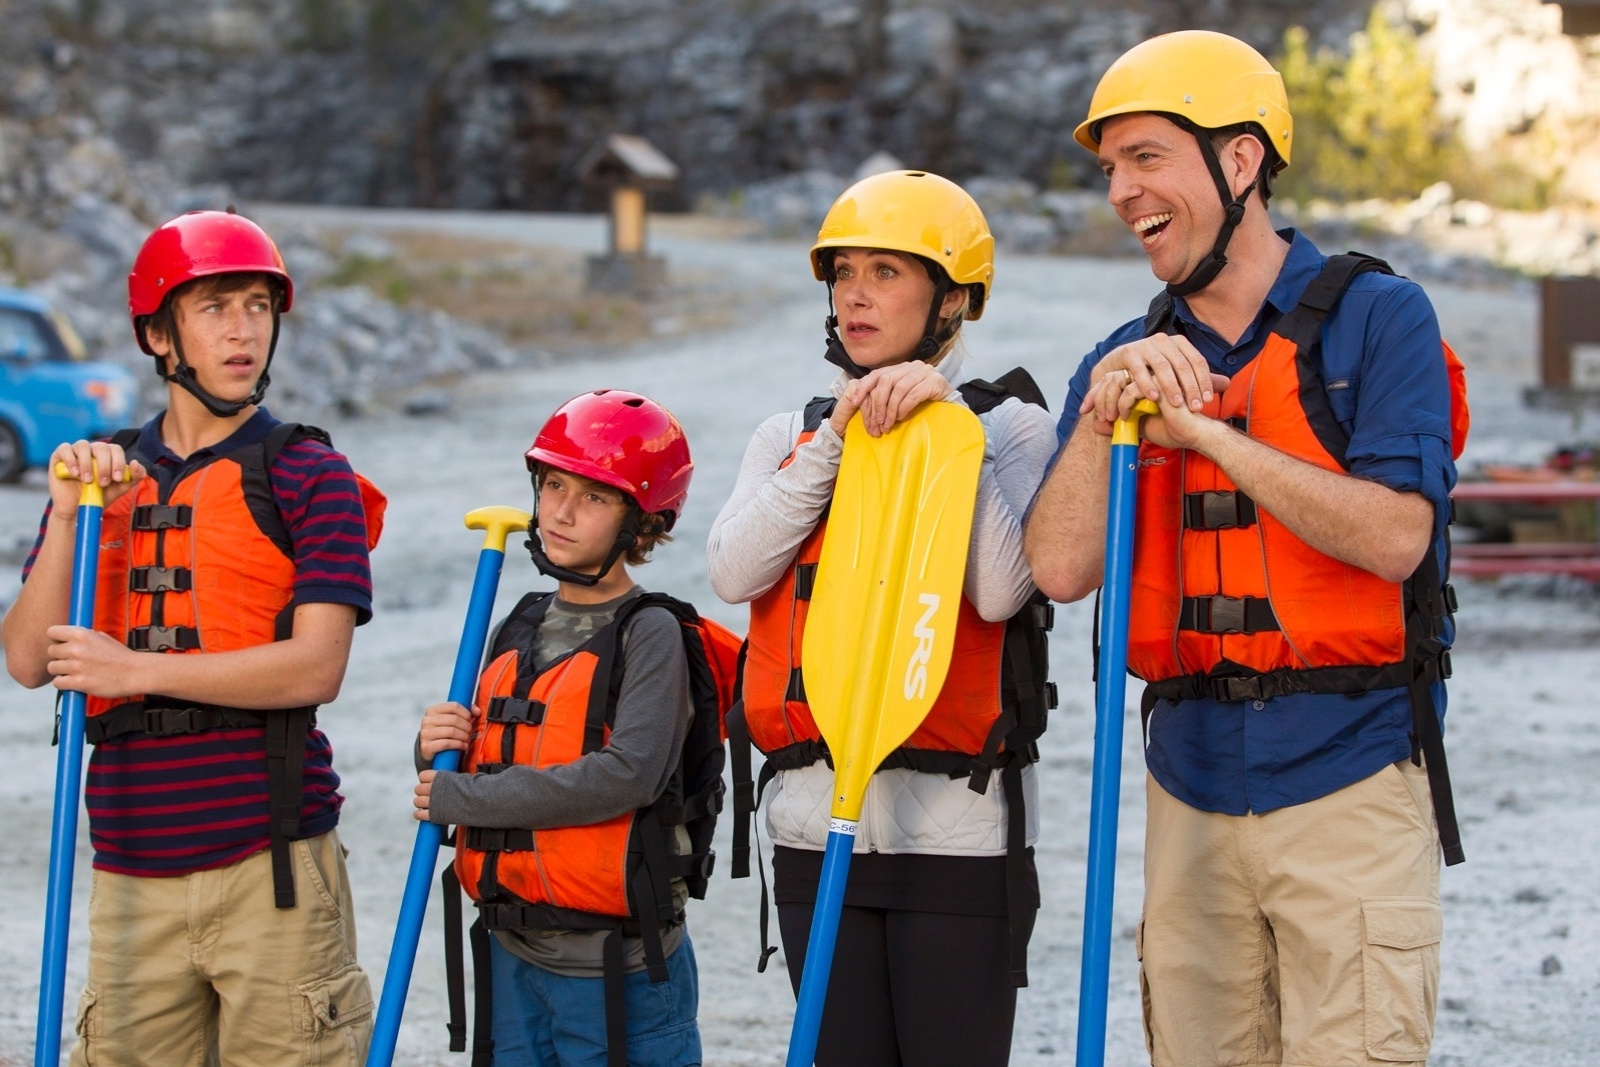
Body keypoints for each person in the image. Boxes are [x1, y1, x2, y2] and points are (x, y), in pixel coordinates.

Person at [1023, 30, 1462, 1067]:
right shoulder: (1119, 360)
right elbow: (1057, 569)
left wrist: (1211, 434)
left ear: (1238, 160)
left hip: (1350, 775)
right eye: (1110, 170)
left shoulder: (1378, 317)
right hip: (1188, 786)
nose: (1123, 193)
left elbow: (1399, 536)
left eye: (1145, 157)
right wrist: (1101, 416)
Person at [1, 209, 379, 1064]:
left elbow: (317, 665)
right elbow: (26, 658)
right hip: (130, 866)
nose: (243, 328)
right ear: (159, 336)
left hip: (272, 863)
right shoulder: (98, 475)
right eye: (215, 307)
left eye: (257, 305)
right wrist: (65, 516)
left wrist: (135, 668)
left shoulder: (309, 473)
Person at [707, 169, 1058, 1067]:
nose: (856, 293)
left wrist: (948, 435)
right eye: (845, 272)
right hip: (810, 820)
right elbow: (733, 568)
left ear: (954, 301)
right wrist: (836, 441)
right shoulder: (791, 431)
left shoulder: (1007, 425)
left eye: (888, 272)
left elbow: (998, 590)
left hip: (958, 830)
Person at [415, 388, 710, 1067]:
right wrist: (433, 746)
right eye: (552, 485)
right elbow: (472, 759)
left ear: (640, 522)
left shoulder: (651, 631)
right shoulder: (517, 618)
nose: (561, 511)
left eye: (594, 497)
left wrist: (465, 799)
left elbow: (626, 774)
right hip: (512, 954)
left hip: (619, 971)